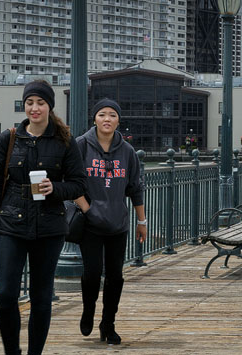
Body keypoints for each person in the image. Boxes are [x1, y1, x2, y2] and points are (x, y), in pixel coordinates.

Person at [0, 81, 86, 355]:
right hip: (10, 222)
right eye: (29, 103)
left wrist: (54, 188)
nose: (34, 108)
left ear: (50, 106)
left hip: (49, 226)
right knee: (5, 295)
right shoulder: (9, 138)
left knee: (41, 297)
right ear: (24, 105)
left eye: (40, 103)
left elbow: (79, 185)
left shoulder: (65, 141)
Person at [73, 99, 146, 344]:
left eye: (112, 115)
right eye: (102, 114)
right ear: (94, 118)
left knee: (116, 276)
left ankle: (108, 323)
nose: (107, 119)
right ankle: (88, 310)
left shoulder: (127, 151)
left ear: (118, 121)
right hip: (90, 223)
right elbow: (71, 181)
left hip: (118, 224)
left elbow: (135, 188)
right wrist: (88, 209)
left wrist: (142, 221)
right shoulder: (81, 145)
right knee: (92, 273)